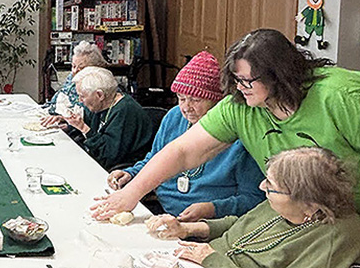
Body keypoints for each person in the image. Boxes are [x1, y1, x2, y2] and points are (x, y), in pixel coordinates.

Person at [92, 28, 360, 220]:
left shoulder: (340, 96)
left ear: (279, 75)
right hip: (302, 218)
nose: (239, 88)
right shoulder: (240, 105)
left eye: (246, 81)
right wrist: (132, 194)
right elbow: (183, 151)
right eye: (235, 80)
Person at [108, 51, 265, 221]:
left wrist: (212, 209)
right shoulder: (174, 117)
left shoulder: (239, 135)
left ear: (217, 102)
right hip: (161, 212)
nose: (186, 107)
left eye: (195, 100)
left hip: (212, 224)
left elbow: (253, 199)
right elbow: (155, 158)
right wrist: (132, 173)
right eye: (181, 98)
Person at [146, 147, 360, 267]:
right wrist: (187, 229)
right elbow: (241, 224)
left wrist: (212, 259)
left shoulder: (335, 239)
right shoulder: (282, 204)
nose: (261, 187)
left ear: (309, 202)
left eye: (271, 186)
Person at [41, 66, 155, 170]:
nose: (80, 101)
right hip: (97, 160)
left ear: (100, 95)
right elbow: (85, 123)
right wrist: (66, 122)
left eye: (82, 96)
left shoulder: (125, 111)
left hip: (119, 169)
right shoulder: (99, 105)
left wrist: (84, 128)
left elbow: (107, 156)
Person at [43, 40, 107, 114]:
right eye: (73, 66)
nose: (75, 71)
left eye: (81, 68)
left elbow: (86, 116)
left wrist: (63, 118)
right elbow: (58, 96)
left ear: (95, 68)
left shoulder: (98, 86)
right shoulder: (72, 77)